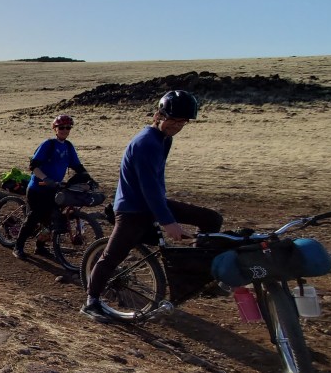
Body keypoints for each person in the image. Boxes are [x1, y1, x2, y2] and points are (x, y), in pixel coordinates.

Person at [82, 90, 223, 322]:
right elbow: (148, 187)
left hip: (153, 201)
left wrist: (165, 213)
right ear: (158, 115)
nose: (177, 126)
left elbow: (156, 184)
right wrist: (168, 221)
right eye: (173, 120)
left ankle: (201, 275)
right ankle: (91, 302)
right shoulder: (146, 143)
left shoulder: (164, 139)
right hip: (132, 209)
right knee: (112, 256)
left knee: (211, 220)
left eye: (182, 122)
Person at [13, 114, 89, 259]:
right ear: (55, 129)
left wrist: (88, 178)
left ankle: (40, 247)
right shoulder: (48, 144)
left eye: (68, 127)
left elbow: (77, 166)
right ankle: (18, 246)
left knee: (49, 219)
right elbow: (33, 166)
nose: (65, 130)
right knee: (34, 217)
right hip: (37, 189)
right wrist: (46, 179)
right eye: (61, 127)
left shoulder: (68, 146)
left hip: (53, 189)